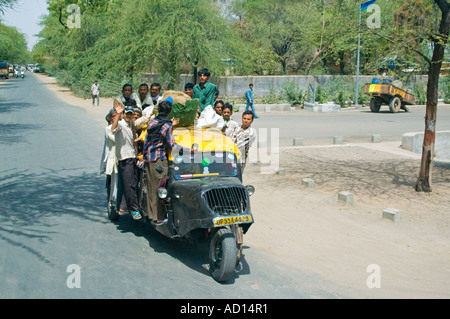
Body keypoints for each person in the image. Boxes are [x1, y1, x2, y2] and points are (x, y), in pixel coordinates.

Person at [111, 101, 152, 220]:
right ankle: (134, 210)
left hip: (133, 157)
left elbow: (140, 122)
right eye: (127, 114)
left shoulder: (131, 124)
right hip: (125, 158)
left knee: (134, 183)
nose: (129, 116)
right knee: (130, 185)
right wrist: (117, 114)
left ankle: (128, 207)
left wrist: (151, 114)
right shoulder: (121, 125)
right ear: (123, 114)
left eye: (130, 114)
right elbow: (113, 129)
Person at [143, 99, 180, 225]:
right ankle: (159, 217)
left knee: (151, 187)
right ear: (169, 112)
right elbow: (171, 145)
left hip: (148, 158)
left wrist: (171, 125)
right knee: (160, 189)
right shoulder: (167, 125)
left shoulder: (152, 121)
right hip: (159, 159)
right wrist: (188, 151)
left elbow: (158, 132)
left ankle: (151, 214)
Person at [100, 108, 118, 212]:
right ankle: (113, 202)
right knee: (114, 183)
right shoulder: (109, 129)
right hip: (113, 158)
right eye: (113, 117)